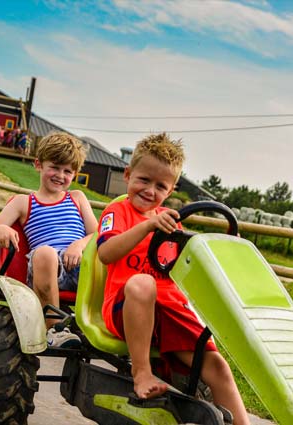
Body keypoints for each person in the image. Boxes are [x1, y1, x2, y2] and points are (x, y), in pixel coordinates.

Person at [96, 133, 250, 425]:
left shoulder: (172, 220)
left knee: (218, 367)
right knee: (143, 283)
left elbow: (191, 264)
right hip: (126, 308)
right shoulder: (119, 211)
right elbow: (105, 253)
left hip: (167, 310)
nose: (149, 190)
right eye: (143, 180)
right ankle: (141, 372)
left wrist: (225, 246)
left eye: (160, 186)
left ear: (171, 189)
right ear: (127, 174)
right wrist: (147, 227)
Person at [0, 131, 98, 348]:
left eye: (67, 171)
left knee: (110, 258)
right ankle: (54, 329)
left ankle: (108, 324)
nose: (60, 175)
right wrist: (0, 230)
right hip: (47, 266)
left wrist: (79, 245)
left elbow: (97, 234)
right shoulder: (25, 202)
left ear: (75, 174)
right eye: (54, 167)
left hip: (80, 262)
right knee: (46, 253)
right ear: (38, 164)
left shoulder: (77, 198)